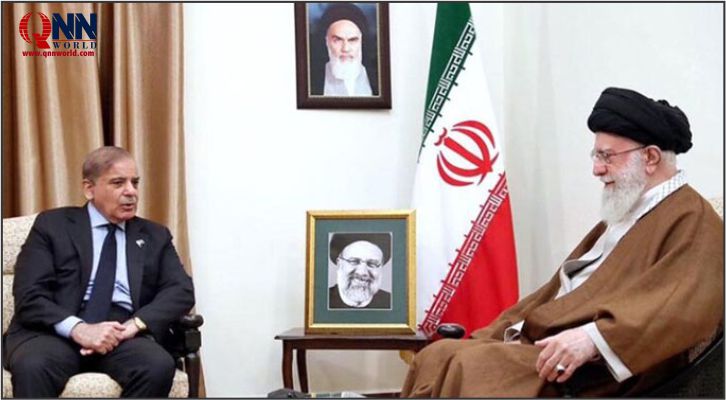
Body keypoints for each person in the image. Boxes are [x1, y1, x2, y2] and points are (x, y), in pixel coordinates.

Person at [401, 87, 724, 397]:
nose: (597, 169)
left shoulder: (693, 218)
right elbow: (567, 289)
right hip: (555, 350)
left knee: (472, 367)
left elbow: (684, 308)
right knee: (436, 356)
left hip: (597, 371)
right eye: (596, 155)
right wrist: (506, 330)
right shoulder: (630, 211)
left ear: (651, 157)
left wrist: (592, 339)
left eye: (607, 156)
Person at [2, 146, 195, 397]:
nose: (131, 191)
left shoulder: (154, 235)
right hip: (55, 331)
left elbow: (181, 290)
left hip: (122, 334)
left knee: (157, 365)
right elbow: (29, 294)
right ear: (89, 189)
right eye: (118, 183)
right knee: (33, 366)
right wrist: (80, 329)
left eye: (135, 182)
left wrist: (134, 325)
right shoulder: (53, 225)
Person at [310, 3, 378, 97]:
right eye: (338, 40)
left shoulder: (378, 79)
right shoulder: (311, 81)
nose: (345, 48)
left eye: (352, 40)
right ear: (326, 41)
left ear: (362, 41)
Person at [328, 233, 392, 309]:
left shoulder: (390, 302)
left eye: (372, 264)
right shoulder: (320, 301)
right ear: (339, 264)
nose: (362, 272)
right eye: (354, 261)